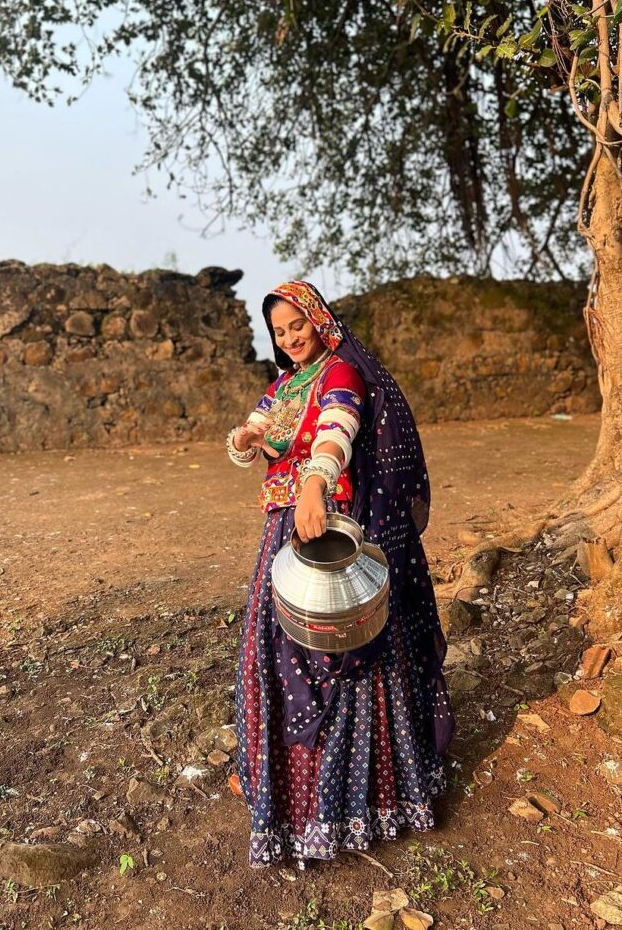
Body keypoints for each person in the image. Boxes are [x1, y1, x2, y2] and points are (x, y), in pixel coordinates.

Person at [226, 281, 453, 868]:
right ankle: (283, 794)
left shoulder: (340, 375)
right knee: (276, 646)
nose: (290, 338)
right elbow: (252, 440)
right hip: (282, 527)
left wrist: (314, 484)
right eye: (279, 332)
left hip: (324, 522)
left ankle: (363, 799)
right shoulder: (281, 385)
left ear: (319, 319)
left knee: (337, 647)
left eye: (296, 325)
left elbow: (337, 433)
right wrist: (247, 441)